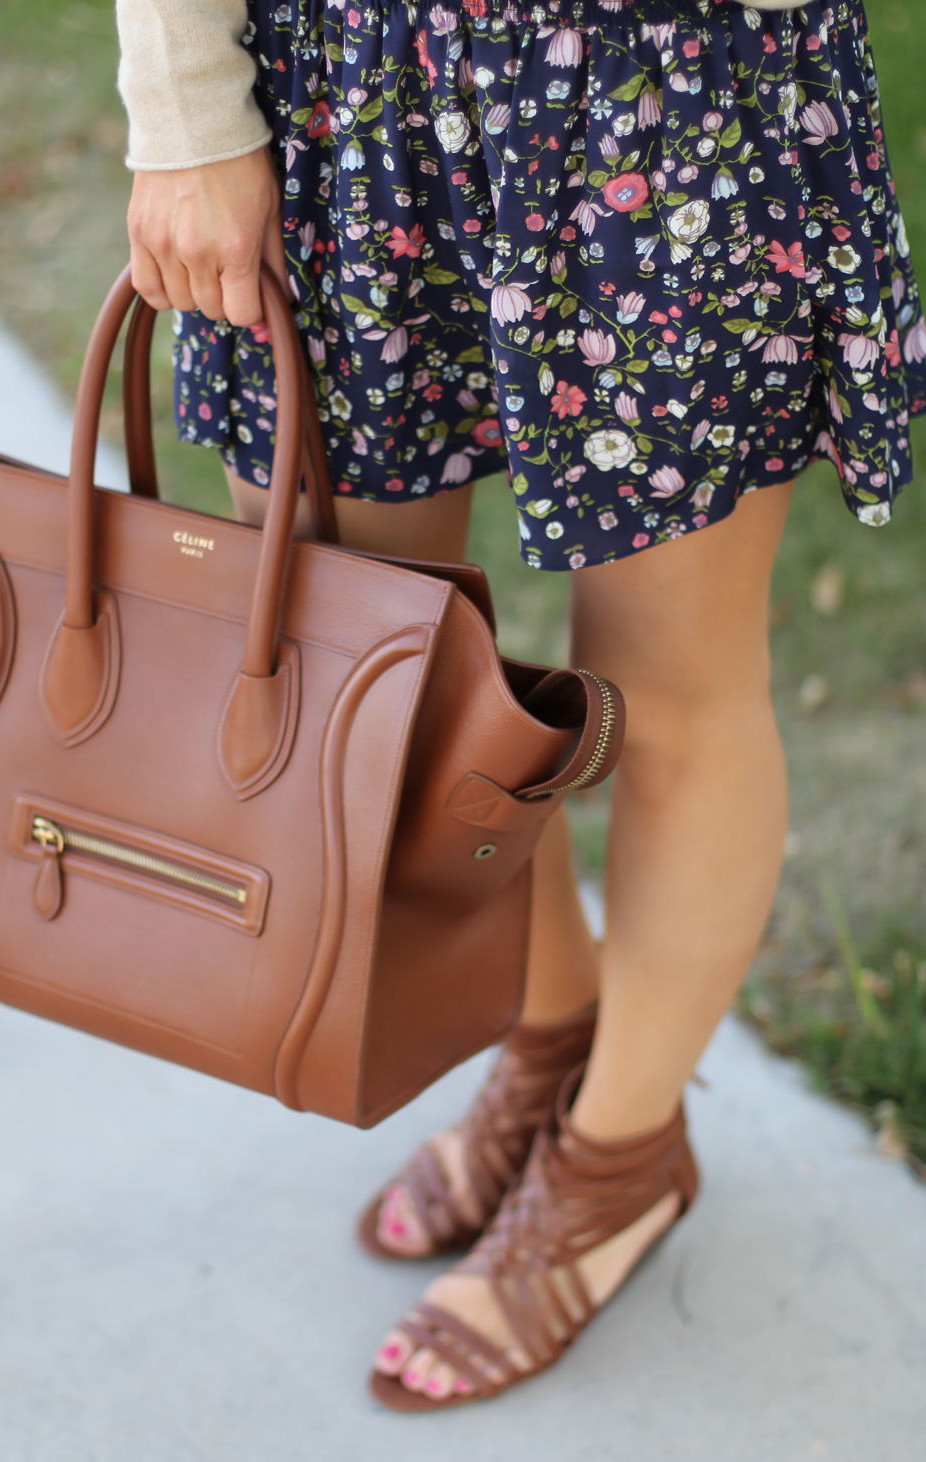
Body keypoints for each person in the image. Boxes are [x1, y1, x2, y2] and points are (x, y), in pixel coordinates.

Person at [116, 0, 925, 1410]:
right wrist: (184, 110)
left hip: (674, 87)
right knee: (378, 674)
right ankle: (552, 1031)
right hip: (343, 79)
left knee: (667, 683)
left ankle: (615, 1154)